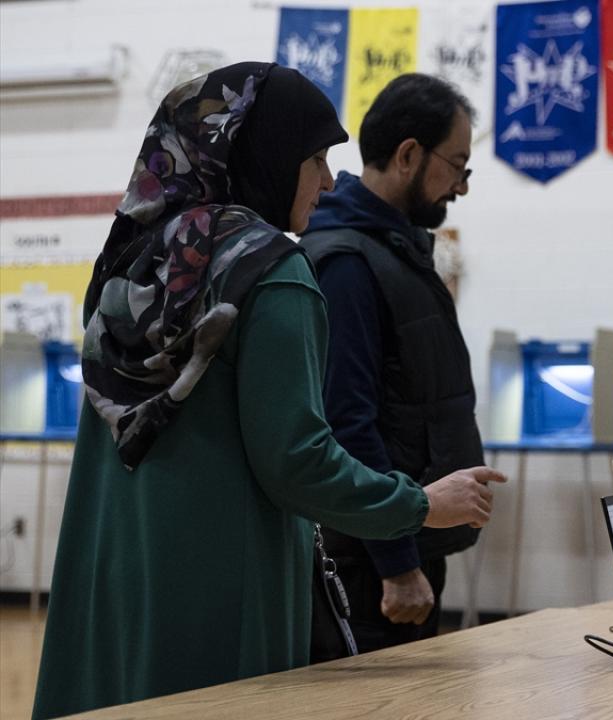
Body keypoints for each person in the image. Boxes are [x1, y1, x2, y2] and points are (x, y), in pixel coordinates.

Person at [32, 62, 503, 719]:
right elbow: (298, 462)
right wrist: (419, 505)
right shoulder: (272, 273)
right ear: (267, 155)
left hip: (110, 573)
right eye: (315, 159)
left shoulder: (130, 264)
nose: (329, 180)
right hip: (218, 589)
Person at [298, 73, 483, 657]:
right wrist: (398, 564)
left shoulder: (392, 250)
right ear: (408, 155)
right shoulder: (348, 264)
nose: (461, 186)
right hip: (371, 566)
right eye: (457, 166)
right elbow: (347, 422)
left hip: (406, 541)